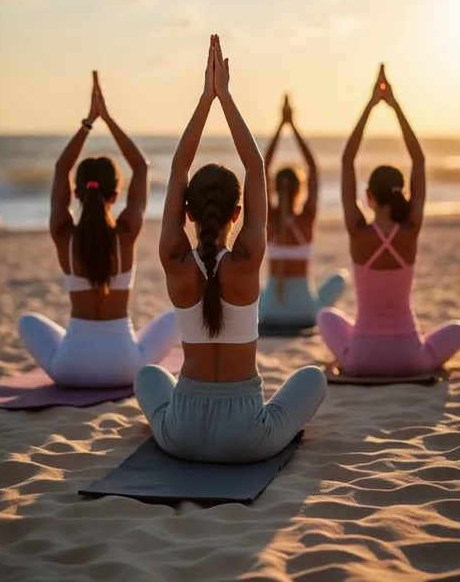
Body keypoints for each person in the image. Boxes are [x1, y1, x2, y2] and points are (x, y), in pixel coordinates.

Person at [133, 35, 327, 464]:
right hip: (246, 439)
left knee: (147, 375)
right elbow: (256, 167)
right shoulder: (246, 261)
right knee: (314, 377)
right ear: (237, 213)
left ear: (186, 212)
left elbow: (178, 165)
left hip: (180, 432)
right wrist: (225, 97)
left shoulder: (174, 259)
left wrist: (205, 99)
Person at [18, 72, 177, 388]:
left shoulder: (63, 234)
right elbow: (142, 167)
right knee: (176, 317)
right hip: (125, 368)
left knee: (27, 322)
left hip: (70, 369)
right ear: (115, 195)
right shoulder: (126, 233)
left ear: (76, 194)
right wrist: (108, 118)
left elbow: (61, 168)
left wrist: (89, 122)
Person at [317, 65, 460, 376]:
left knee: (326, 317)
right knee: (457, 328)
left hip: (360, 358)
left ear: (369, 197)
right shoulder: (410, 229)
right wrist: (394, 106)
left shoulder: (358, 231)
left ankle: (346, 355)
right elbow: (419, 160)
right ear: (401, 194)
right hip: (410, 356)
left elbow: (346, 160)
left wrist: (370, 105)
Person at [260, 95, 347, 328]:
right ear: (300, 190)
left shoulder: (270, 220)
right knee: (340, 278)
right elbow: (314, 169)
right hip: (305, 313)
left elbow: (262, 168)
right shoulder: (306, 219)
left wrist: (280, 126)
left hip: (268, 312)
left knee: (258, 291)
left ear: (275, 188)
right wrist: (293, 126)